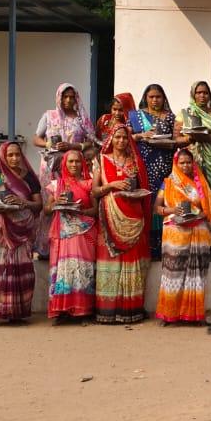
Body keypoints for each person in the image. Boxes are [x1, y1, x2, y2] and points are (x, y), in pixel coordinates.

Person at [0, 141, 41, 325]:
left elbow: (39, 204)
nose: (14, 158)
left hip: (22, 230)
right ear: (3, 156)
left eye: (17, 155)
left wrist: (23, 202)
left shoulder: (29, 178)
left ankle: (16, 313)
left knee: (18, 268)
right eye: (10, 155)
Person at [93, 125, 150, 324]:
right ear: (111, 138)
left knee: (131, 260)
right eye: (117, 137)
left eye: (125, 138)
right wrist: (112, 185)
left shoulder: (135, 161)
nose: (121, 141)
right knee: (112, 260)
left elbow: (142, 187)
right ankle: (108, 310)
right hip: (110, 215)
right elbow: (95, 191)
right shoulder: (101, 160)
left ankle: (131, 310)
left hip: (133, 215)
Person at [154, 149, 211, 324]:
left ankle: (194, 315)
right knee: (172, 273)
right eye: (182, 162)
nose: (185, 165)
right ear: (176, 163)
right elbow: (157, 208)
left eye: (188, 162)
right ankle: (170, 314)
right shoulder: (168, 183)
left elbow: (209, 208)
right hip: (175, 232)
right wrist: (174, 210)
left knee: (196, 275)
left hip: (198, 230)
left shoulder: (201, 183)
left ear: (193, 163)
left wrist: (201, 215)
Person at [34, 83, 97, 258]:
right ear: (59, 97)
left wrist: (72, 145)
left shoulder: (81, 118)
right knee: (51, 203)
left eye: (71, 97)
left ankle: (69, 244)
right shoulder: (49, 116)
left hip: (73, 166)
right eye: (64, 96)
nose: (68, 100)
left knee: (73, 202)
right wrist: (49, 144)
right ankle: (46, 247)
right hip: (51, 168)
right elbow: (36, 138)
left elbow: (92, 142)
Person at [129, 84, 184, 259]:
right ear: (146, 98)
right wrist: (141, 136)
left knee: (163, 201)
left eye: (158, 97)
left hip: (165, 165)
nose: (155, 100)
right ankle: (145, 245)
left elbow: (176, 140)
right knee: (146, 199)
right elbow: (123, 136)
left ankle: (161, 244)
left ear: (164, 98)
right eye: (151, 97)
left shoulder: (170, 117)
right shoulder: (136, 116)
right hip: (144, 165)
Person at [44, 150, 97, 323]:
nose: (74, 165)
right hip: (63, 235)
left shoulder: (89, 184)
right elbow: (46, 209)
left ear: (83, 164)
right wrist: (57, 203)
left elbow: (96, 210)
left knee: (82, 271)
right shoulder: (56, 185)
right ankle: (62, 311)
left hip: (84, 232)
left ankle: (83, 312)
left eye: (77, 162)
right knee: (63, 272)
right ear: (64, 164)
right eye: (70, 162)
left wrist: (80, 211)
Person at [181, 81, 211, 254]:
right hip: (193, 160)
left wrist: (209, 139)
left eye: (205, 93)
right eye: (199, 93)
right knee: (195, 198)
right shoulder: (185, 113)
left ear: (209, 95)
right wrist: (191, 139)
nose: (202, 96)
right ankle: (195, 239)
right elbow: (176, 138)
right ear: (193, 95)